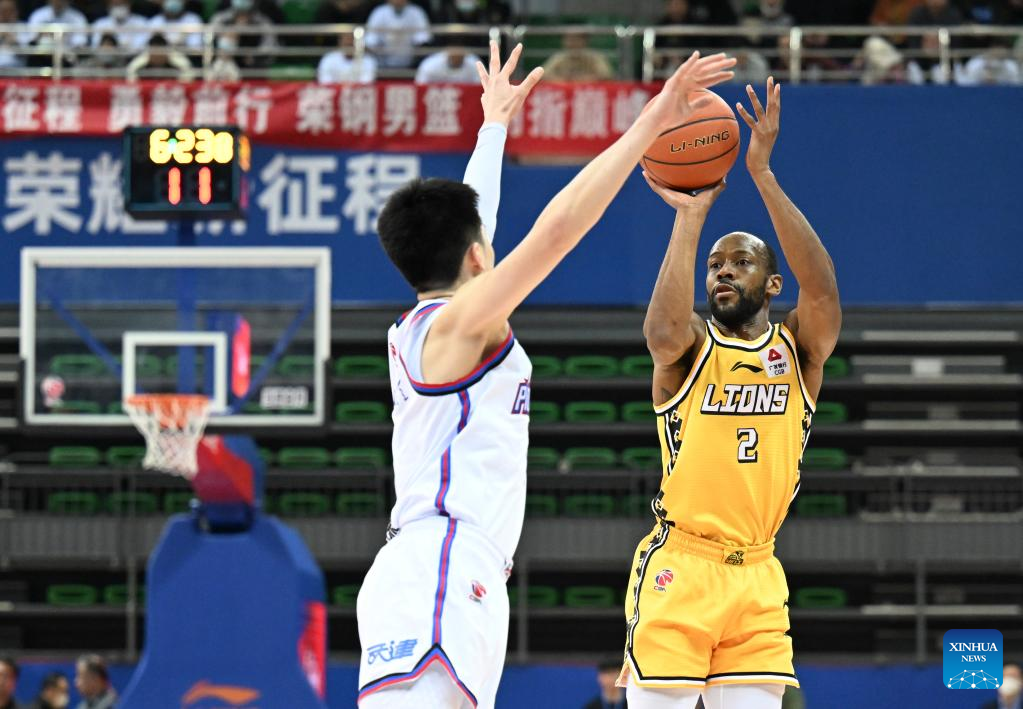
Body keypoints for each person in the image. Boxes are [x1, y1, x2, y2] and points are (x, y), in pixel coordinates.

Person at [356, 43, 735, 709]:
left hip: (452, 568)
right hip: (440, 563)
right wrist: (650, 122)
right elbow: (555, 232)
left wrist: (493, 126)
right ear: (477, 257)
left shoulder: (438, 321)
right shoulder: (456, 326)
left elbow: (478, 224)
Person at [619, 76, 841, 709]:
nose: (722, 271)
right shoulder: (692, 346)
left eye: (740, 263)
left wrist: (762, 176)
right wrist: (691, 217)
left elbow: (823, 290)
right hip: (681, 566)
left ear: (772, 285)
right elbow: (660, 333)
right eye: (715, 265)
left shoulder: (797, 351)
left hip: (759, 575)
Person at [209, 0, 276, 70]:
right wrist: (231, 35)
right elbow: (210, 40)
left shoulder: (262, 22)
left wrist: (255, 56)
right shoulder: (221, 18)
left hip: (252, 63)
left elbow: (268, 47)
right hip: (226, 60)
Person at [365, 0, 431, 70]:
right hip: (382, 63)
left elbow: (423, 38)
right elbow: (371, 39)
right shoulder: (379, 12)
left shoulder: (416, 12)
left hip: (410, 61)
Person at [541, 31, 614, 82]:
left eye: (576, 39)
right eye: (569, 39)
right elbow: (543, 75)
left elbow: (606, 75)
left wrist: (583, 79)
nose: (572, 43)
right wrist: (564, 80)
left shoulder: (595, 57)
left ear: (585, 41)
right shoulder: (559, 57)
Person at [126, 31, 193, 79]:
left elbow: (188, 80)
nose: (157, 56)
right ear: (149, 53)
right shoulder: (138, 64)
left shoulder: (180, 63)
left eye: (160, 52)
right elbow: (130, 78)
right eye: (155, 52)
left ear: (167, 52)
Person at [22, 0, 88, 48]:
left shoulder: (77, 17)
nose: (58, 2)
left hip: (67, 54)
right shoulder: (38, 15)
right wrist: (41, 35)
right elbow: (31, 40)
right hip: (42, 54)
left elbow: (80, 42)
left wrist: (64, 36)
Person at [415, 42, 482, 84]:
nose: (457, 52)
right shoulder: (430, 65)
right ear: (447, 50)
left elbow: (481, 88)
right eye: (454, 48)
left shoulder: (475, 64)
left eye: (460, 48)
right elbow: (420, 86)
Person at [0, 0, 24, 69]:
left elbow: (27, 54)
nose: (5, 14)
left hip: (16, 71)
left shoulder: (23, 27)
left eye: (9, 10)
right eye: (3, 11)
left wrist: (14, 42)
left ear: (15, 11)